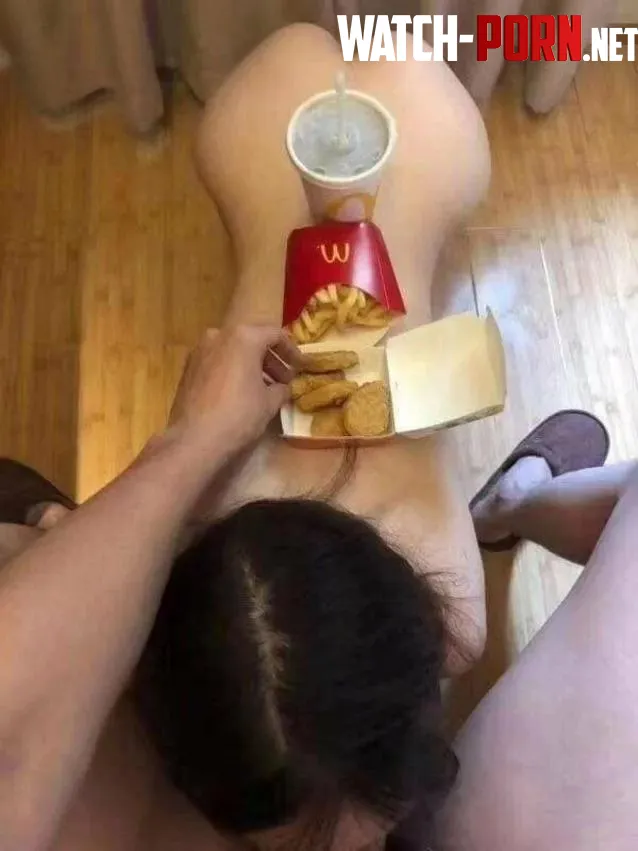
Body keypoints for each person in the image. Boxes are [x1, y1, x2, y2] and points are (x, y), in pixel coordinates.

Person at [0, 22, 625, 851]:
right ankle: (509, 497)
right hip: (399, 121)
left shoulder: (441, 607)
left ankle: (510, 493)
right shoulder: (185, 543)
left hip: (290, 115)